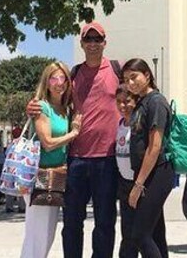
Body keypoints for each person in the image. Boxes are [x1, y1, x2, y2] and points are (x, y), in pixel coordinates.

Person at [26, 21, 120, 258]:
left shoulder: (117, 71)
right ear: (81, 43)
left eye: (97, 39)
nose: (92, 44)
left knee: (105, 222)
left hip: (107, 159)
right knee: (71, 223)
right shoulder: (74, 75)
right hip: (76, 159)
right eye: (88, 40)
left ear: (104, 43)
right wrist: (34, 105)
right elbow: (54, 100)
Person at [20, 62, 82, 258]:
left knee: (47, 233)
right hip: (39, 176)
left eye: (63, 78)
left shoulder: (64, 109)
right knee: (37, 234)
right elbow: (47, 142)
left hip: (56, 178)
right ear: (46, 83)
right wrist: (74, 133)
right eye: (54, 79)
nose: (58, 83)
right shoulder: (41, 106)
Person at [121, 58, 173, 258]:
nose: (130, 83)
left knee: (140, 234)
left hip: (158, 172)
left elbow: (155, 146)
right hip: (146, 174)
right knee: (156, 234)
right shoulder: (141, 102)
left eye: (134, 77)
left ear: (147, 75)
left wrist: (138, 185)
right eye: (126, 79)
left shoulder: (156, 101)